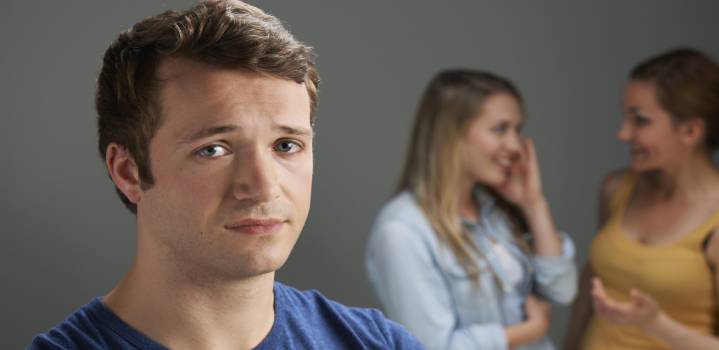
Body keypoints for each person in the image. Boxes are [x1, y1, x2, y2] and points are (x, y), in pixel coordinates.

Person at [29, 1, 423, 349]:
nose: (264, 187)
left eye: (286, 145)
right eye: (213, 149)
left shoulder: (378, 343)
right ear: (128, 171)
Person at [563, 48, 719, 350]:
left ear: (690, 131)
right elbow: (594, 278)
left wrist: (656, 324)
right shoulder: (617, 189)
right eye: (625, 118)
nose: (623, 133)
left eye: (640, 121)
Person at [365, 69, 578, 350]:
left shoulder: (495, 210)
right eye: (500, 129)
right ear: (452, 135)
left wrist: (534, 204)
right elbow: (432, 346)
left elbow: (562, 290)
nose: (516, 146)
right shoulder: (402, 231)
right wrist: (528, 331)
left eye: (518, 129)